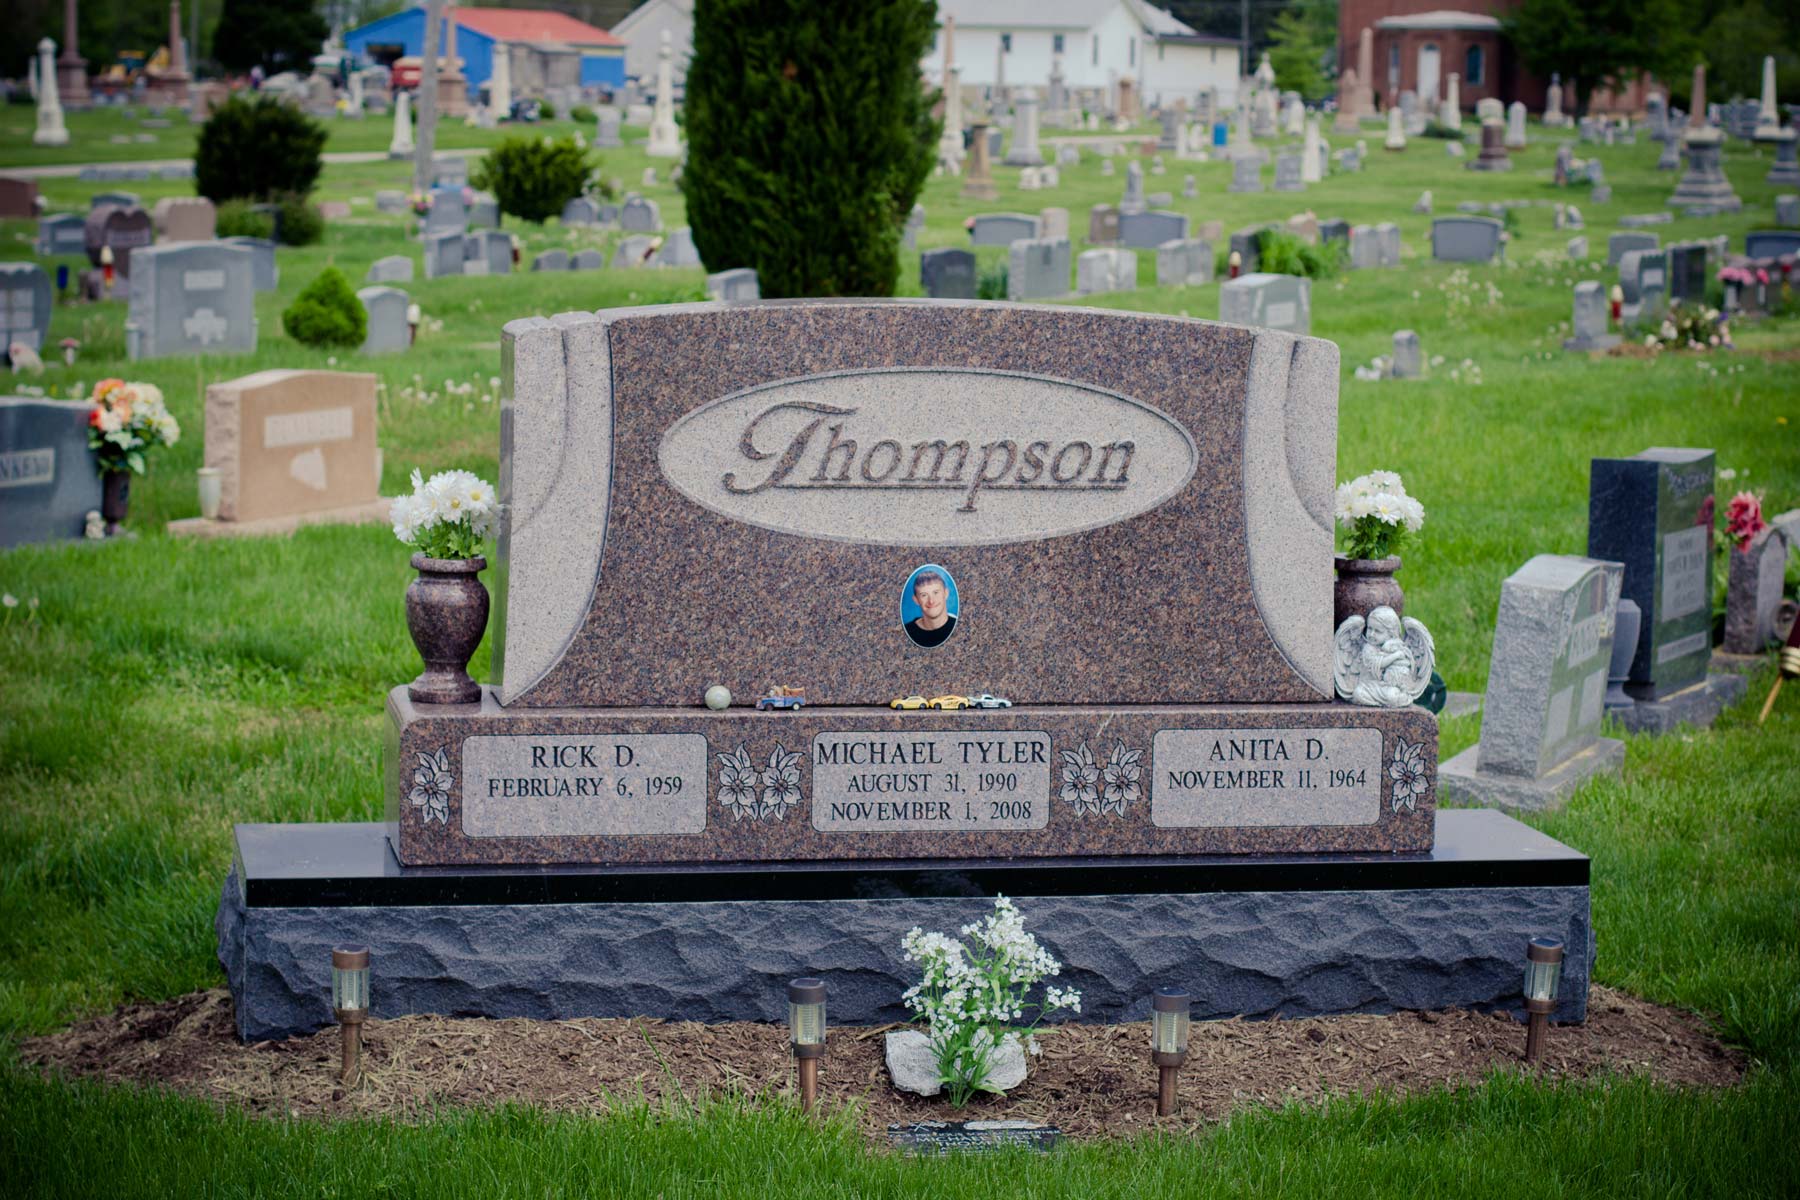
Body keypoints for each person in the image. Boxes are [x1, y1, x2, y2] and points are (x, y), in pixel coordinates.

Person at [904, 569, 957, 648]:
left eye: (936, 592)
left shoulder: (958, 625)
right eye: (924, 595)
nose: (931, 601)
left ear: (946, 594)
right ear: (916, 600)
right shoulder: (906, 631)